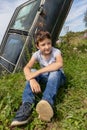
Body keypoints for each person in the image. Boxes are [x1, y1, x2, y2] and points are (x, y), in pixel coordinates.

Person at [11, 30, 66, 126]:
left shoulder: (56, 51)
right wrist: (31, 79)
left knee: (53, 72)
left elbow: (59, 64)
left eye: (49, 43)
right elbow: (26, 68)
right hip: (46, 77)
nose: (47, 47)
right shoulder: (36, 54)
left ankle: (47, 102)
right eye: (43, 44)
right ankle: (27, 105)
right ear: (38, 46)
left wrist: (38, 72)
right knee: (31, 71)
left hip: (58, 78)